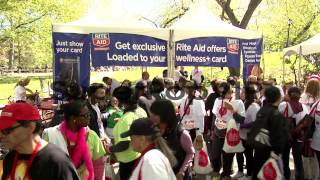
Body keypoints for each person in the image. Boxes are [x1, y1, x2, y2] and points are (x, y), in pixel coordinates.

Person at [0, 103, 79, 180]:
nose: (1, 135)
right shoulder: (10, 158)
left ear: (30, 127)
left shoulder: (57, 162)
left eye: (7, 130)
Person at [43, 100, 106, 180]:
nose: (89, 117)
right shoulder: (50, 135)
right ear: (73, 118)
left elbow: (99, 164)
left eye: (89, 114)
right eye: (85, 115)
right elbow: (45, 165)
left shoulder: (91, 135)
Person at [248, 86, 289, 180]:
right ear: (279, 97)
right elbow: (277, 135)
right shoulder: (275, 114)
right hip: (270, 152)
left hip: (259, 148)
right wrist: (278, 151)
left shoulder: (262, 110)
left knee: (258, 174)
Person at [108, 86, 147, 180]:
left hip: (128, 161)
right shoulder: (141, 111)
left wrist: (109, 149)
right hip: (139, 156)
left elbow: (124, 144)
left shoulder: (125, 120)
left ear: (121, 102)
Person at [150, 100, 195, 180]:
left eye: (155, 114)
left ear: (165, 115)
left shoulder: (181, 133)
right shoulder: (152, 130)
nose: (151, 117)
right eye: (152, 113)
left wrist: (182, 171)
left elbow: (190, 153)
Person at [211, 82, 245, 179]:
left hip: (230, 134)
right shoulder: (218, 100)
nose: (221, 95)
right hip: (218, 132)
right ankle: (217, 172)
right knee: (215, 156)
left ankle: (226, 175)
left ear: (230, 91)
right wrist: (212, 130)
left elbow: (241, 120)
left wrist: (232, 110)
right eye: (220, 93)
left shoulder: (238, 102)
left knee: (227, 158)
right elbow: (215, 116)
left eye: (224, 92)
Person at [278, 87, 308, 180]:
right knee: (298, 161)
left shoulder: (284, 105)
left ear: (288, 95)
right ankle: (300, 177)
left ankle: (286, 177)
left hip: (286, 137)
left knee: (285, 160)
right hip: (298, 137)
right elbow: (306, 121)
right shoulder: (303, 107)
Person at [235, 85, 260, 179]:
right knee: (239, 153)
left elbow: (255, 122)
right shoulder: (244, 103)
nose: (241, 94)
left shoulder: (254, 106)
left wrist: (243, 126)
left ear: (247, 94)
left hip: (248, 136)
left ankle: (249, 174)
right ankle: (240, 171)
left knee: (248, 155)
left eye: (243, 92)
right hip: (241, 135)